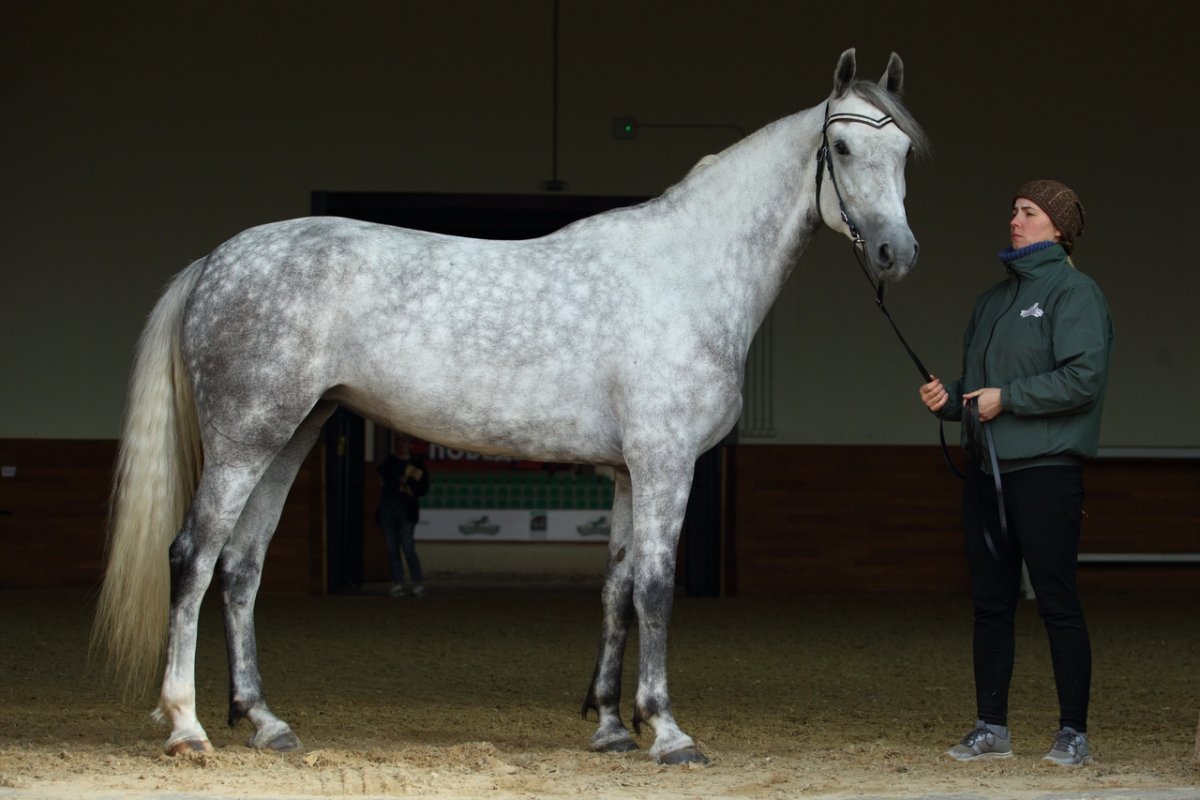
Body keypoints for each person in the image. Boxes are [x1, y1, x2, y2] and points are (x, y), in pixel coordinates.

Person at [918, 179, 1114, 767]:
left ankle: (1073, 731)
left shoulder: (1075, 294)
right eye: (1013, 211)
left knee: (1056, 601)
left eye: (1029, 213)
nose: (1016, 220)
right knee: (991, 603)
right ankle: (991, 726)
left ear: (1057, 228)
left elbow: (1083, 378)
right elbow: (982, 389)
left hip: (1046, 472)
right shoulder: (992, 300)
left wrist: (1011, 398)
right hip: (987, 470)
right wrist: (948, 398)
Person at [377, 434, 430, 598]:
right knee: (392, 550)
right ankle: (397, 583)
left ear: (410, 445)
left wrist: (409, 483)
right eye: (398, 442)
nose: (401, 445)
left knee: (408, 549)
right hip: (388, 510)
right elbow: (382, 480)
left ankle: (417, 582)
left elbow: (423, 489)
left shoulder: (417, 465)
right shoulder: (389, 464)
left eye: (404, 442)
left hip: (407, 512)